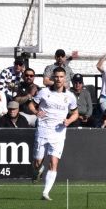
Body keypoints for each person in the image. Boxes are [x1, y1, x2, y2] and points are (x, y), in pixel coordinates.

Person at [28, 66, 78, 200]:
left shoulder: (70, 96)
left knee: (53, 162)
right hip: (43, 130)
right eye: (56, 77)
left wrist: (69, 121)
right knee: (37, 162)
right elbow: (31, 104)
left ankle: (45, 192)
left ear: (65, 78)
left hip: (59, 133)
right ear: (52, 78)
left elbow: (75, 113)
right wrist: (36, 112)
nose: (59, 79)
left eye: (61, 77)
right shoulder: (44, 92)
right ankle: (38, 170)